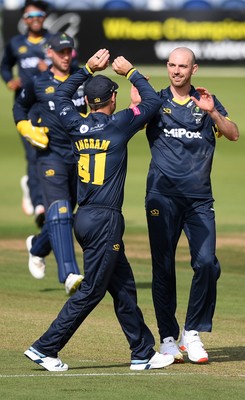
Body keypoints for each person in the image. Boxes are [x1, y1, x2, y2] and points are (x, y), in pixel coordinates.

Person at [23, 48, 175, 372]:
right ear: (111, 100)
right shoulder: (118, 124)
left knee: (123, 285)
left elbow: (62, 97)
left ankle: (142, 352)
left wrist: (86, 70)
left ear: (89, 102)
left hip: (85, 217)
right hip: (105, 218)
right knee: (92, 290)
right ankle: (44, 347)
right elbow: (153, 103)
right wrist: (131, 72)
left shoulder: (75, 125)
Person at [143, 47, 240, 363]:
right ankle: (168, 338)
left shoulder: (206, 100)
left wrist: (212, 112)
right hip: (162, 197)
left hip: (199, 199)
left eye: (182, 66)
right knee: (163, 267)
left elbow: (233, 133)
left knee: (208, 263)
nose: (176, 71)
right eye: (171, 65)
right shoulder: (156, 101)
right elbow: (127, 124)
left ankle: (192, 332)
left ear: (194, 69)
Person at [13, 32, 84, 295]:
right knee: (61, 211)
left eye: (69, 51)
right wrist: (25, 127)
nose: (65, 56)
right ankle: (69, 275)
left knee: (67, 216)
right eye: (60, 52)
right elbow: (19, 108)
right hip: (50, 155)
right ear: (50, 53)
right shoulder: (38, 82)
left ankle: (37, 246)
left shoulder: (82, 78)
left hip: (80, 156)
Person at [1, 0, 52, 227]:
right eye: (30, 15)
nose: (35, 19)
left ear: (44, 16)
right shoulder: (16, 43)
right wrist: (9, 80)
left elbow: (69, 68)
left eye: (39, 14)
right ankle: (41, 205)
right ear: (24, 19)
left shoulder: (55, 41)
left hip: (51, 106)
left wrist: (48, 70)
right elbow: (4, 65)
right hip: (25, 107)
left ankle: (42, 194)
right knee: (34, 154)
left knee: (52, 153)